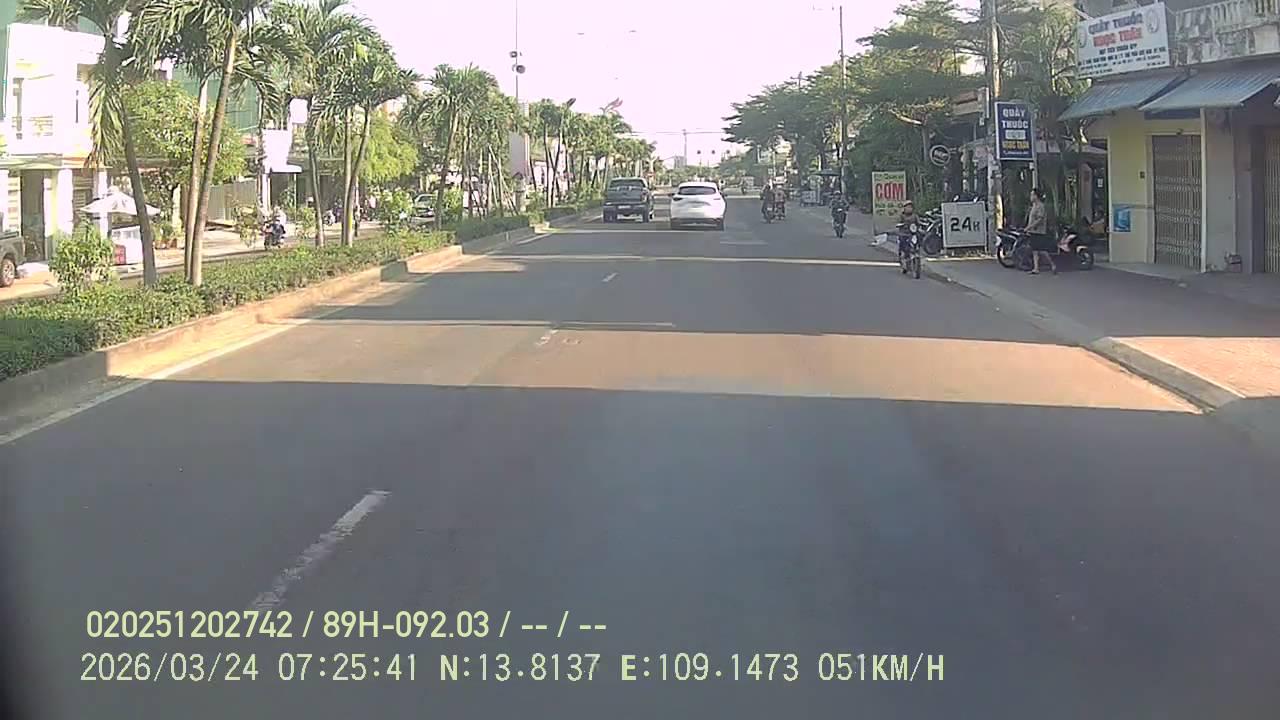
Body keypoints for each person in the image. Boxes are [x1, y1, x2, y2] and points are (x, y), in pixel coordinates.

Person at [1026, 188, 1056, 275]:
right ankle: (1036, 268)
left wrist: (1030, 226)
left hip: (1039, 231)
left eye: (1032, 195)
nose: (1031, 196)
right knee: (1035, 250)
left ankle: (1052, 264)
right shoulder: (1034, 206)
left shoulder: (1040, 206)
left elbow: (1040, 219)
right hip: (1033, 231)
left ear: (1036, 196)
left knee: (1042, 250)